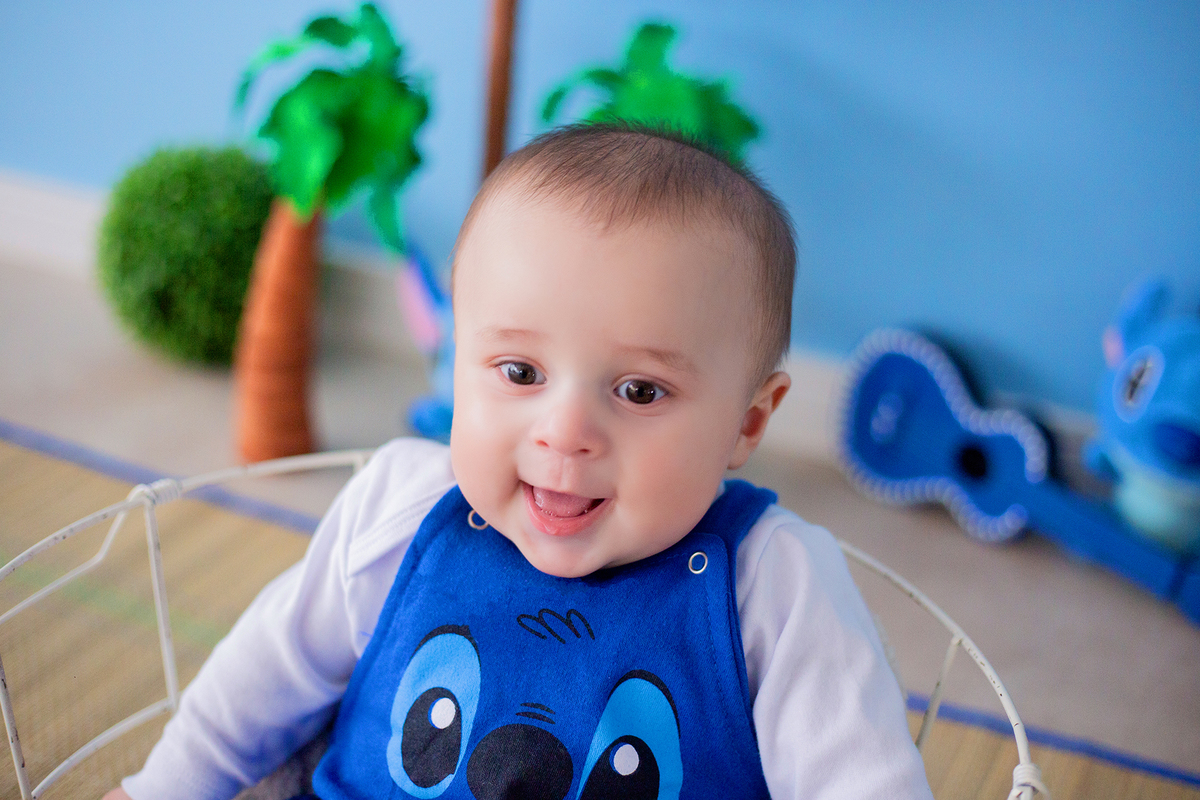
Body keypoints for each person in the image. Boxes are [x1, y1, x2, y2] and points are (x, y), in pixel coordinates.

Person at [106, 123, 933, 800]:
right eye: (520, 373)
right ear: (458, 358)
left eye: (641, 391)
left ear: (747, 423)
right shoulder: (402, 509)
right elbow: (260, 683)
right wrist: (164, 787)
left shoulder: (771, 586)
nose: (565, 433)